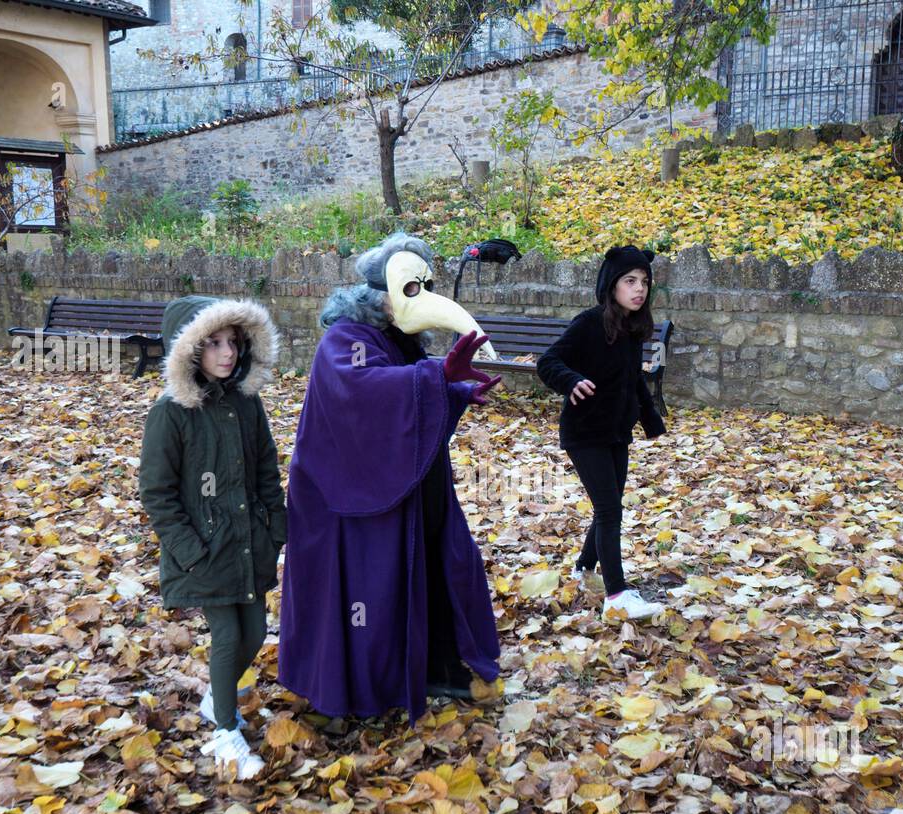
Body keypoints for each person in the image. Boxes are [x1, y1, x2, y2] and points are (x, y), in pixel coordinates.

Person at [277, 231, 502, 723]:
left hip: (401, 491)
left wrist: (456, 390)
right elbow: (363, 393)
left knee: (429, 569)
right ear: (377, 292)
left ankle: (430, 668)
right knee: (366, 593)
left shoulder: (395, 342)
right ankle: (355, 686)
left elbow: (409, 395)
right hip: (344, 501)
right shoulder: (346, 341)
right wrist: (439, 376)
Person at [138, 295, 286, 780]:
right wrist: (189, 550)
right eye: (214, 344)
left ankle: (215, 697)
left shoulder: (246, 402)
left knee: (256, 632)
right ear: (190, 350)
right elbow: (157, 492)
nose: (227, 353)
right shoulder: (171, 413)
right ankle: (225, 732)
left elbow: (265, 467)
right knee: (226, 636)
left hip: (248, 540)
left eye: (234, 343)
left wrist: (275, 523)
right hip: (205, 549)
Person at [536, 245, 667, 621]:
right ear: (612, 286)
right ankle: (616, 596)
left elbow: (633, 380)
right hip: (585, 431)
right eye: (630, 281)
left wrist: (650, 420)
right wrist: (571, 380)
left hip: (615, 433)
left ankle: (583, 568)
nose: (638, 289)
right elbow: (549, 362)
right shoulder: (589, 323)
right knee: (610, 512)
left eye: (644, 281)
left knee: (608, 508)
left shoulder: (631, 328)